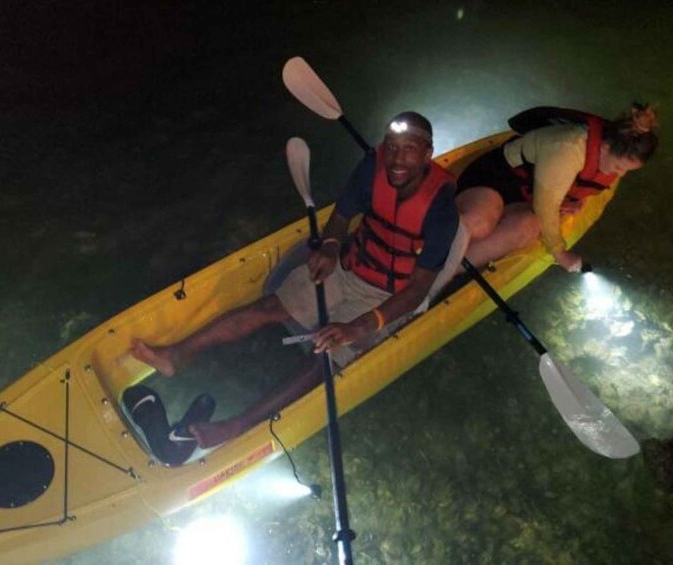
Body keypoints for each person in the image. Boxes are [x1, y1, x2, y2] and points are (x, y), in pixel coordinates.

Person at [130, 111, 459, 449]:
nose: (396, 159)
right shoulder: (371, 167)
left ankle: (238, 425)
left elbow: (418, 289)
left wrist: (361, 326)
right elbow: (342, 216)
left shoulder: (442, 210)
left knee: (325, 361)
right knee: (270, 306)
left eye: (408, 149)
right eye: (391, 147)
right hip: (346, 265)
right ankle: (175, 354)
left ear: (428, 153)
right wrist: (330, 248)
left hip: (385, 297)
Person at [455, 103, 658, 272]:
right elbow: (546, 207)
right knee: (479, 224)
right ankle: (433, 255)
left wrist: (572, 199)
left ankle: (448, 273)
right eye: (618, 167)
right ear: (604, 148)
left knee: (528, 227)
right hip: (495, 176)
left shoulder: (611, 150)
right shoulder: (567, 150)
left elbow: (573, 187)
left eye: (626, 171)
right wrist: (560, 253)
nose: (619, 174)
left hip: (525, 193)